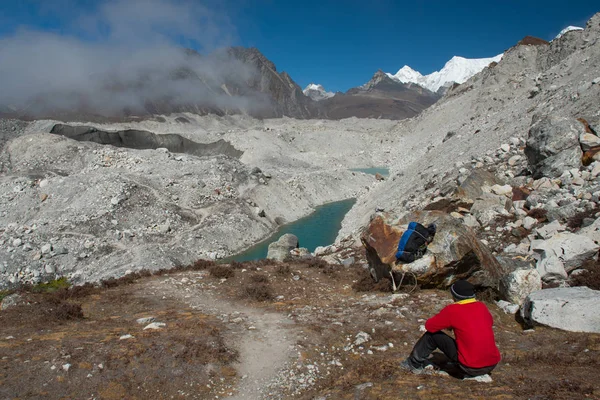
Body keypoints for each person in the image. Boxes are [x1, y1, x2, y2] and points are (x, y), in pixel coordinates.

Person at [400, 280, 501, 377]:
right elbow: (488, 323)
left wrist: (449, 324)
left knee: (431, 336)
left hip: (470, 367)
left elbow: (430, 326)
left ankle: (413, 364)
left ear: (455, 296)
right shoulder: (482, 307)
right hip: (491, 365)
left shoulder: (453, 310)